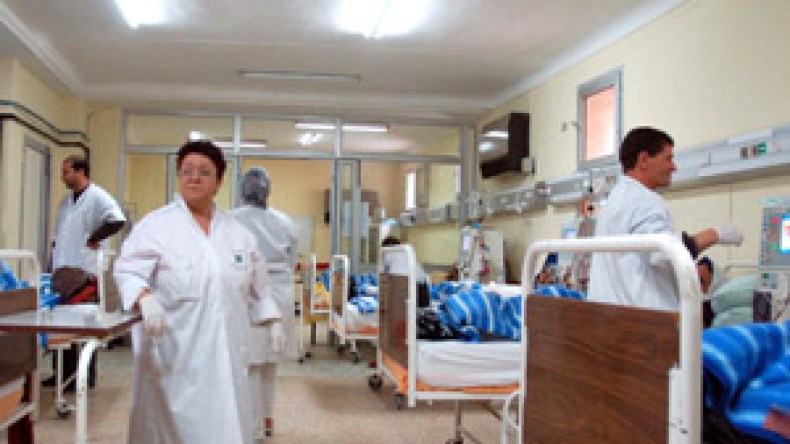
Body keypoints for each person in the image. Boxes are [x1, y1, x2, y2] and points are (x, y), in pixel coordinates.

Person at [113, 141, 284, 444]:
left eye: (204, 172)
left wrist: (273, 321)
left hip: (226, 349)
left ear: (218, 182)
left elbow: (259, 286)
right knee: (173, 426)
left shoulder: (238, 234)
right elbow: (127, 270)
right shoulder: (156, 226)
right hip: (176, 350)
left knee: (226, 420)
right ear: (178, 176)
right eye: (187, 171)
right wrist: (144, 297)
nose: (194, 178)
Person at [588, 127, 743, 310]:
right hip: (644, 318)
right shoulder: (644, 199)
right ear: (643, 160)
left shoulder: (615, 198)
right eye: (668, 158)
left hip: (611, 314)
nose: (673, 167)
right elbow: (665, 252)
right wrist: (716, 234)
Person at [44, 155, 126, 391]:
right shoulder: (65, 202)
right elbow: (59, 237)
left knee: (83, 325)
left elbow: (117, 220)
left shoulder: (97, 196)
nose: (63, 177)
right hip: (64, 270)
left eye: (66, 172)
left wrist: (94, 238)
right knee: (62, 324)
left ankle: (83, 375)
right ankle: (61, 374)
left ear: (80, 172)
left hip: (84, 270)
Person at [229, 167, 299, 439]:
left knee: (251, 363)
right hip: (279, 293)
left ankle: (254, 426)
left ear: (242, 189)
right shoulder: (286, 222)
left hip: (248, 293)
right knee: (271, 362)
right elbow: (291, 261)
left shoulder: (231, 219)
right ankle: (266, 418)